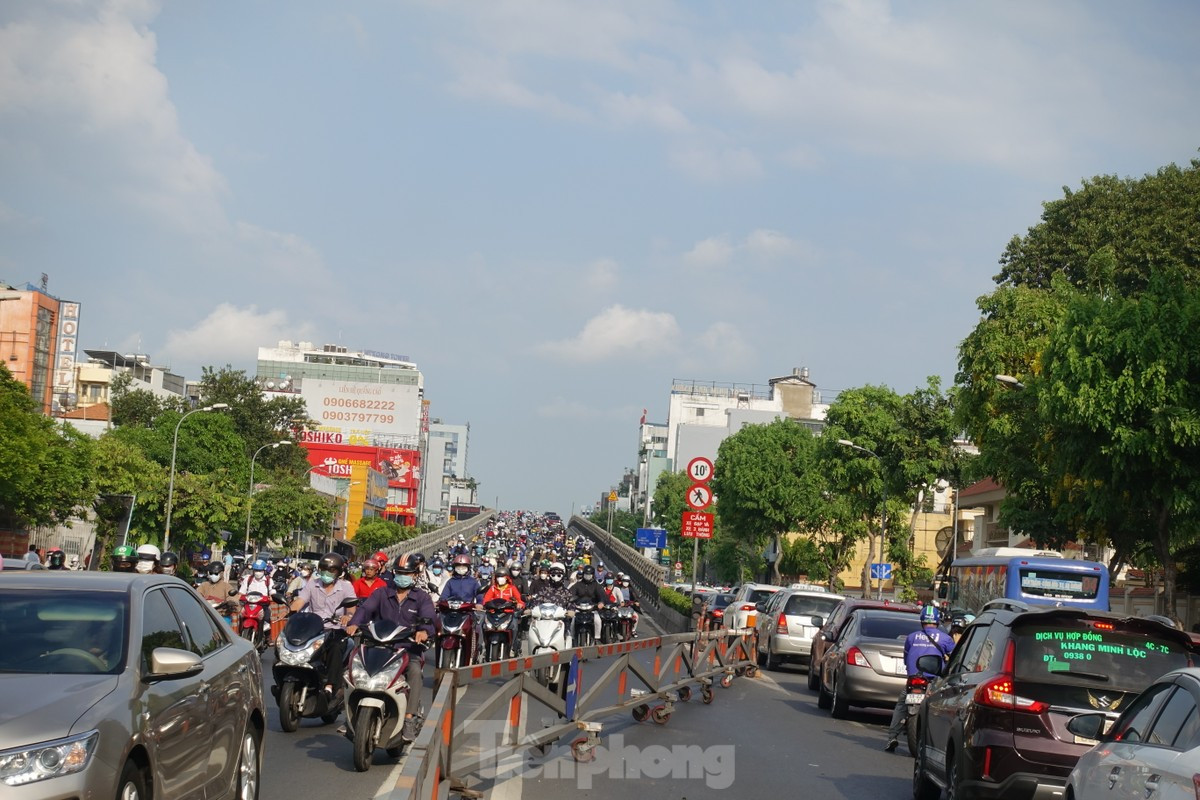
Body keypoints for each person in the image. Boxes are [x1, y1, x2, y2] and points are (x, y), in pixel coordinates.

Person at [347, 555, 435, 741]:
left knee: (415, 672)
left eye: (407, 573)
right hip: (379, 646)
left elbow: (429, 618)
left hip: (407, 649)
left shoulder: (422, 598)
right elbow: (365, 610)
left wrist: (424, 631)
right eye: (400, 573)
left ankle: (409, 718)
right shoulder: (381, 593)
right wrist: (354, 623)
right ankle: (349, 714)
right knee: (352, 666)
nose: (403, 576)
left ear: (414, 575)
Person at [885, 605, 955, 753]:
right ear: (937, 621)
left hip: (913, 679)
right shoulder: (945, 639)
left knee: (901, 705)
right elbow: (955, 660)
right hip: (933, 682)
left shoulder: (911, 637)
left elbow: (906, 659)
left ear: (922, 621)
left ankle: (892, 737)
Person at [291, 553, 358, 696]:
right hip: (314, 628)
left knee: (336, 646)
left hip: (335, 629)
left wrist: (348, 616)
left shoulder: (346, 587)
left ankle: (330, 686)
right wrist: (290, 609)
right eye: (324, 570)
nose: (326, 574)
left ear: (339, 572)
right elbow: (300, 601)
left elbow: (352, 608)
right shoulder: (312, 584)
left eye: (331, 571)